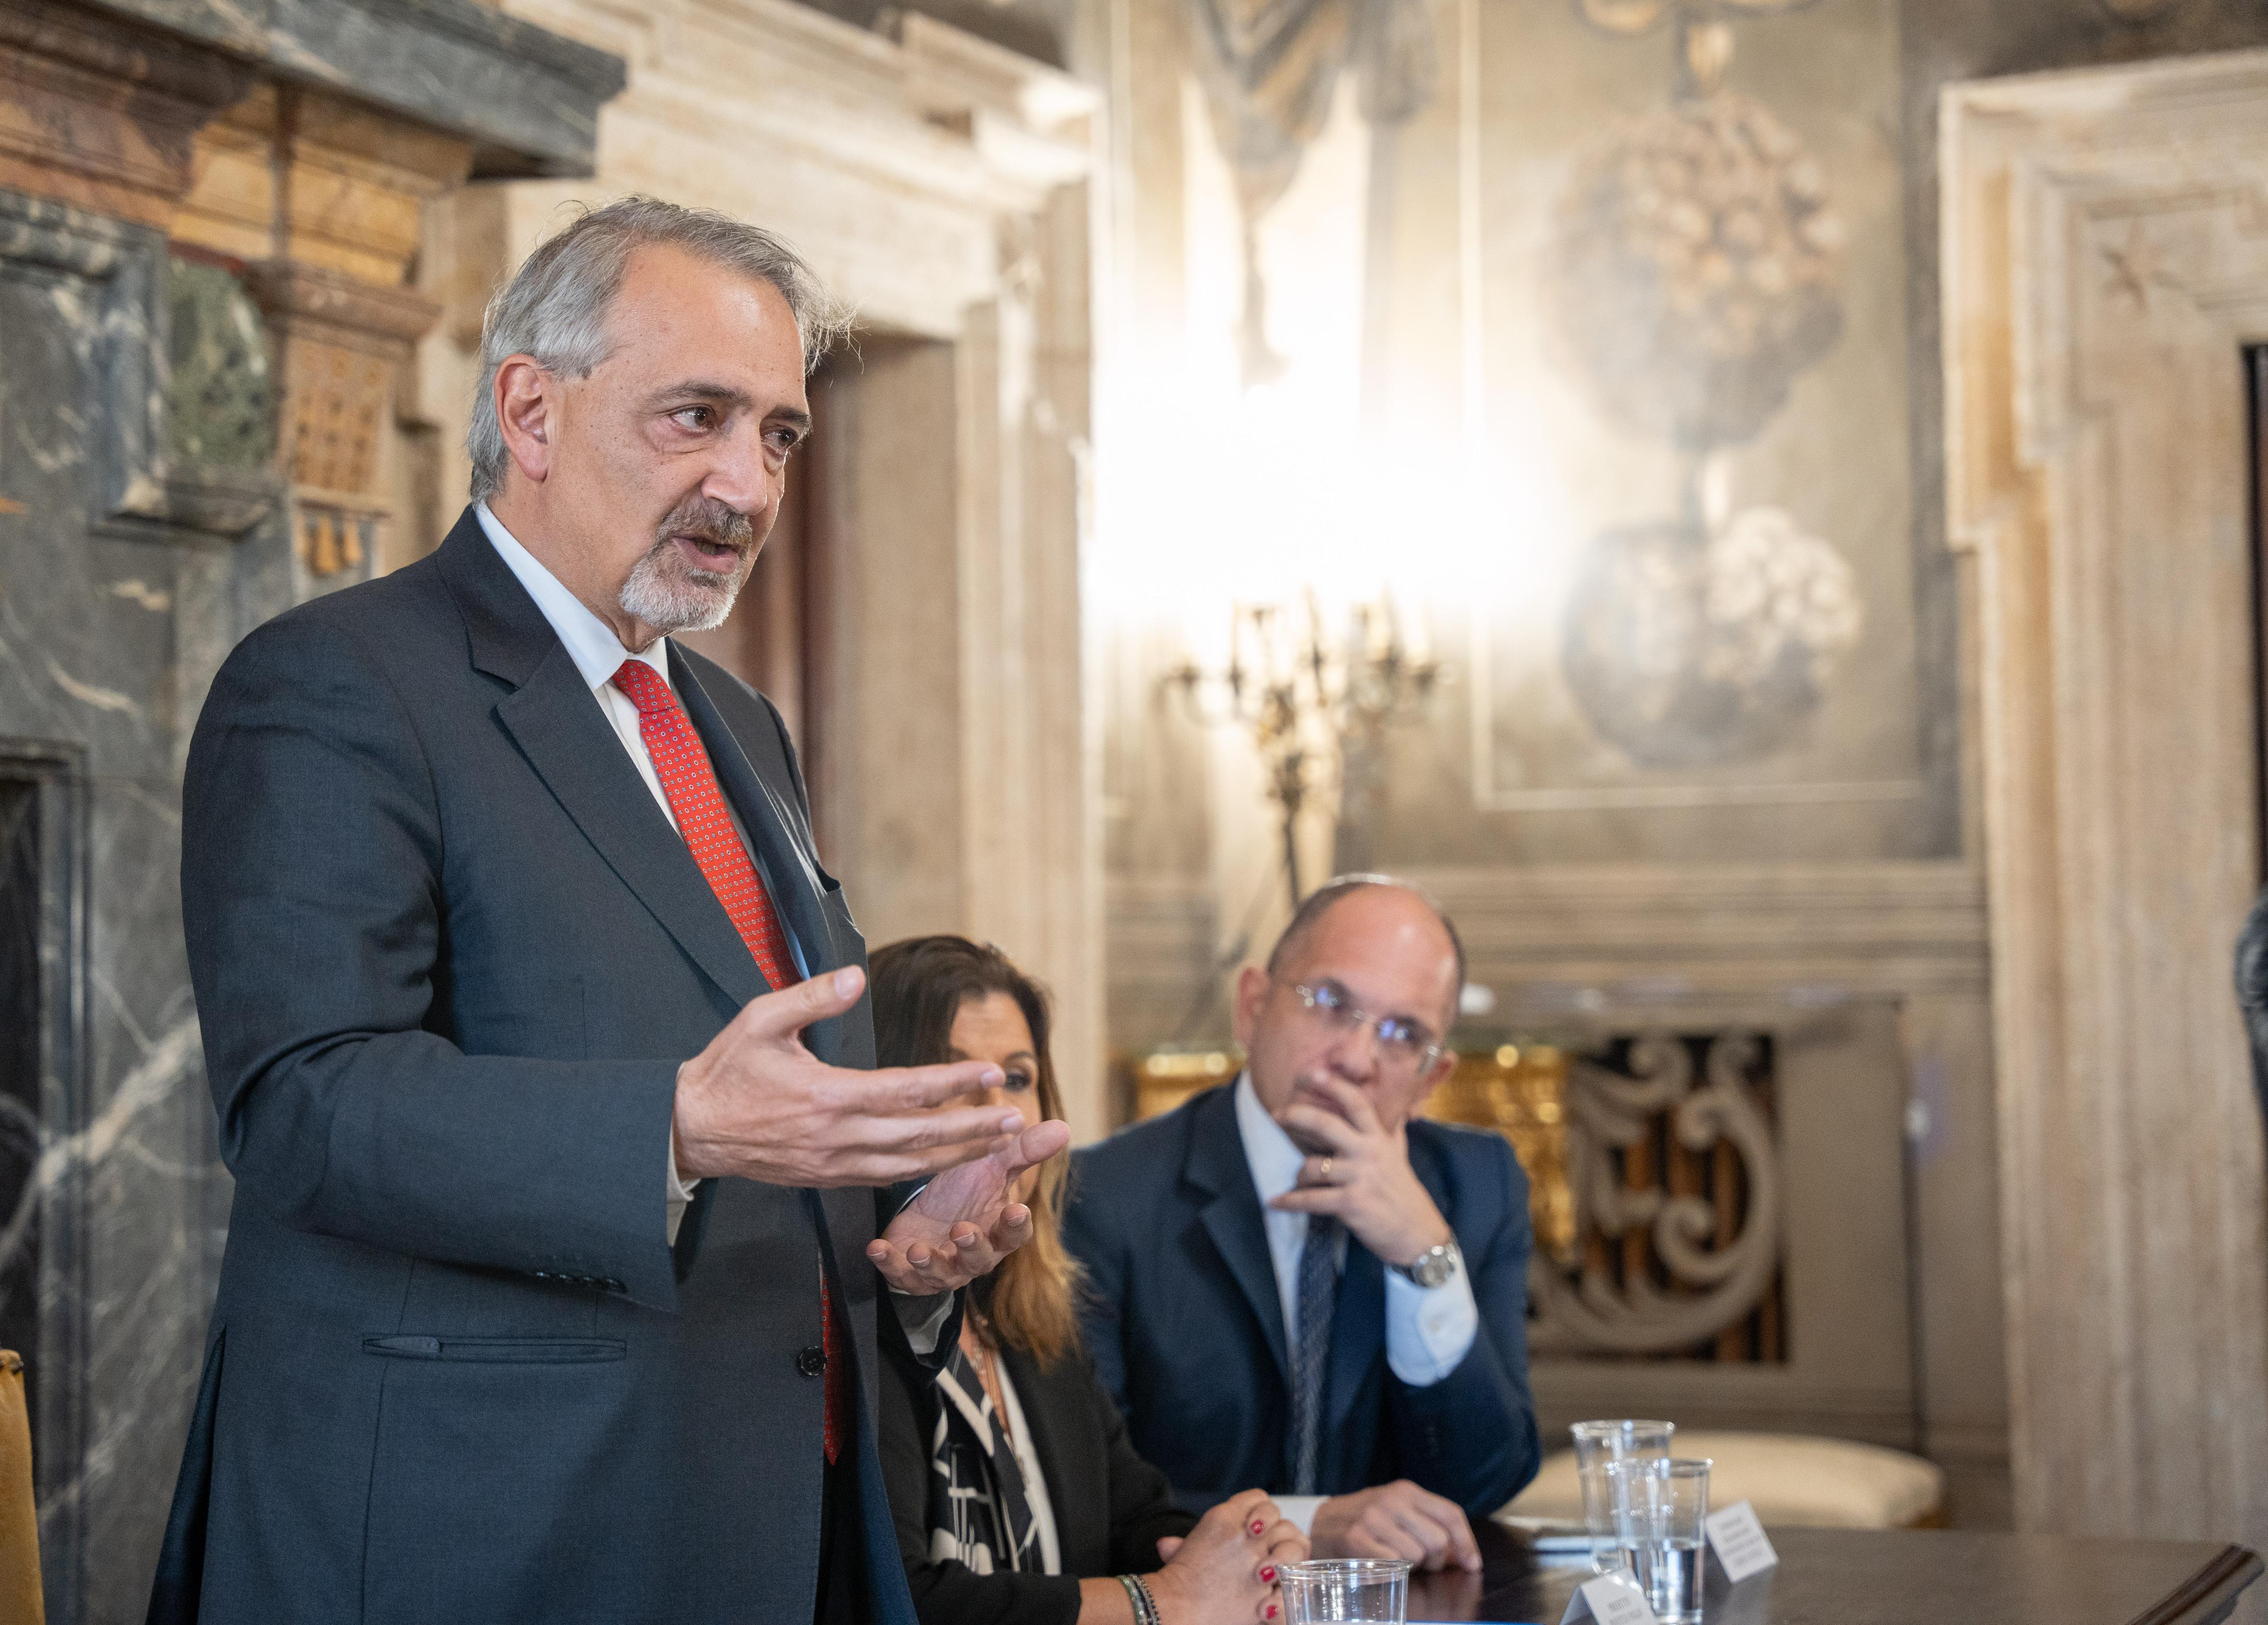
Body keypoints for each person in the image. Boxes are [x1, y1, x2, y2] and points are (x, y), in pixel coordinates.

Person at [148, 198, 1069, 1625]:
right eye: (697, 415)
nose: (747, 486)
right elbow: (303, 1103)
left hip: (771, 1530)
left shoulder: (737, 722)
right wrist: (673, 1128)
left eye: (778, 435)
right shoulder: (338, 681)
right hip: (489, 1537)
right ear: (531, 408)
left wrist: (905, 1236)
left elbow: (772, 1099)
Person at [1065, 876, 1538, 1575]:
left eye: (1402, 1034)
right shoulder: (1106, 1196)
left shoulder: (1475, 1187)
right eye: (1331, 1003)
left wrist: (1423, 1259)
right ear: (1252, 1006)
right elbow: (1090, 1495)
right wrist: (1312, 1524)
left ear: (1431, 1078)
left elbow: (1486, 1480)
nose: (1355, 1058)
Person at [869, 936, 1307, 1625]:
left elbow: (1136, 1518)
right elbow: (902, 1600)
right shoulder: (842, 1323)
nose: (1000, 1115)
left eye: (1018, 1078)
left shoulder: (1034, 1314)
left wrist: (1234, 1552)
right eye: (952, 1079)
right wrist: (1162, 1601)